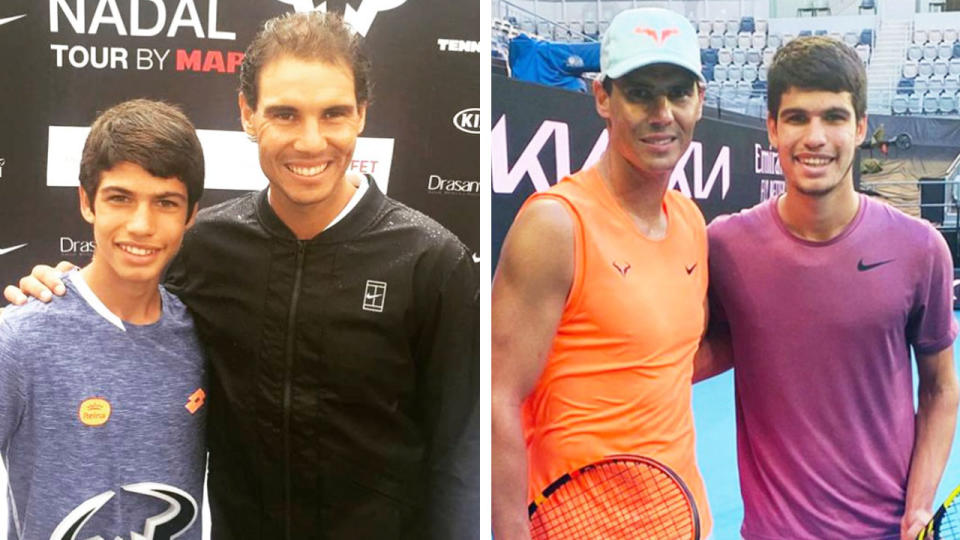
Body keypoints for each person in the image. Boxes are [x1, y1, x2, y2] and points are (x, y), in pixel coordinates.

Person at [5, 12, 478, 540]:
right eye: (285, 114)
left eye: (334, 114)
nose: (311, 141)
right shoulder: (204, 246)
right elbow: (123, 294)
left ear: (362, 115)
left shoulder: (432, 261)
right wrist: (59, 288)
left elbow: (461, 461)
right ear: (247, 114)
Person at [702, 36, 960, 540]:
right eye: (797, 117)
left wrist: (919, 507)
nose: (815, 137)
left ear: (860, 127)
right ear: (772, 127)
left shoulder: (921, 248)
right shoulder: (723, 246)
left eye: (835, 117)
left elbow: (940, 387)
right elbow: (680, 356)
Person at [492, 8, 713, 539]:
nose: (662, 113)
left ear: (699, 101)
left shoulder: (690, 221)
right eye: (640, 93)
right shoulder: (555, 224)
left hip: (683, 521)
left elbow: (668, 360)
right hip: (575, 526)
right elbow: (497, 395)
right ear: (602, 98)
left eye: (678, 92)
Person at [0, 99, 206, 538]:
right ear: (87, 202)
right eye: (120, 198)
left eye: (166, 202)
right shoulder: (21, 338)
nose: (141, 224)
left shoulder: (204, 336)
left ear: (191, 215)